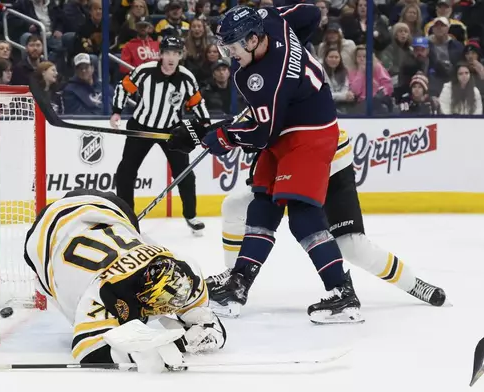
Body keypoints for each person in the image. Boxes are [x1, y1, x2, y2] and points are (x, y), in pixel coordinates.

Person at [168, 4, 363, 324]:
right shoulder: (270, 19)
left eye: (233, 47)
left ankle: (343, 292)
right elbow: (312, 14)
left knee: (302, 215)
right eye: (225, 46)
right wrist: (296, 57)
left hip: (309, 134)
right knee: (263, 205)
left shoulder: (265, 78)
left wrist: (210, 136)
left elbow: (260, 133)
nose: (230, 54)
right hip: (286, 125)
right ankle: (238, 285)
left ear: (255, 39)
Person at [208, 119, 446, 317]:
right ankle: (234, 278)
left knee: (351, 246)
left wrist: (232, 134)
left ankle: (413, 284)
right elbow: (262, 123)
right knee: (235, 206)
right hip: (289, 153)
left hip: (327, 157)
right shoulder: (257, 74)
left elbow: (273, 120)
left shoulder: (285, 73)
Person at [23, 189, 225, 371]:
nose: (171, 309)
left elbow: (211, 326)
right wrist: (140, 355)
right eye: (163, 304)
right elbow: (87, 351)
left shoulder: (186, 271)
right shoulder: (105, 293)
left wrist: (185, 341)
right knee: (59, 290)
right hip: (44, 237)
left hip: (105, 205)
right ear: (142, 296)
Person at [111, 36, 210, 236]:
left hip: (172, 132)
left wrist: (206, 124)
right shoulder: (145, 71)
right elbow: (124, 88)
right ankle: (125, 215)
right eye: (168, 53)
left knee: (185, 174)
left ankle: (191, 216)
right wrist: (116, 111)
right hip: (141, 128)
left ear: (181, 55)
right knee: (125, 172)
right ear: (161, 54)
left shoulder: (186, 77)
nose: (172, 57)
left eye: (176, 53)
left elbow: (196, 102)